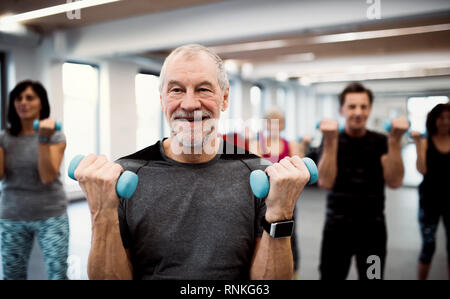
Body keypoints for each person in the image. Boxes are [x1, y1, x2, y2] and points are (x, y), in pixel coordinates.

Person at [73, 44, 311, 280]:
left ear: (224, 98)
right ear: (162, 99)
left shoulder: (258, 175)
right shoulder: (125, 176)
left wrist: (281, 212)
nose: (189, 104)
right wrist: (101, 212)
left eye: (203, 89)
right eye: (176, 90)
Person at [317, 82, 409, 280]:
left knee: (372, 278)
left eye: (363, 106)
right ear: (342, 109)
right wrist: (331, 143)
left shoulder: (382, 142)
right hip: (337, 230)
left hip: (372, 232)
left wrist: (395, 142)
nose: (358, 112)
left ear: (370, 109)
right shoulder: (330, 140)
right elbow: (325, 181)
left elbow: (395, 181)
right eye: (352, 106)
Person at [0, 80, 69, 280]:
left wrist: (43, 139)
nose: (23, 102)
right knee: (12, 275)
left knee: (58, 274)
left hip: (51, 215)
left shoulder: (55, 135)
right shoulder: (4, 138)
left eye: (29, 98)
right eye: (18, 98)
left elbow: (47, 176)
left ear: (41, 104)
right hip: (12, 215)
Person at [256, 107, 312, 279]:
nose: (274, 126)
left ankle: (293, 273)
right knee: (260, 236)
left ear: (283, 125)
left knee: (290, 236)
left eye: (278, 122)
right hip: (262, 201)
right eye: (271, 122)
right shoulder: (257, 144)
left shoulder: (291, 145)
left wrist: (305, 146)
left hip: (287, 199)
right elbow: (254, 170)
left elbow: (301, 170)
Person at [411, 103, 450, 280]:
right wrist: (418, 144)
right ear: (434, 120)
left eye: (448, 118)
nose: (445, 121)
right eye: (441, 117)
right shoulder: (426, 142)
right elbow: (422, 169)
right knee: (429, 245)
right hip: (430, 200)